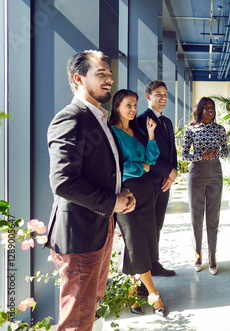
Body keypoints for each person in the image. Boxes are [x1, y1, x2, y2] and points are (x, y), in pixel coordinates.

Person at [46, 50, 136, 330]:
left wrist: (121, 197)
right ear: (78, 78)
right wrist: (111, 202)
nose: (109, 80)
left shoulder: (98, 117)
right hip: (80, 234)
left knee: (89, 304)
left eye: (109, 75)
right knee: (77, 316)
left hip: (99, 228)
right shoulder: (71, 118)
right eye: (101, 75)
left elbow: (102, 170)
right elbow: (63, 181)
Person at [109, 89, 166, 316]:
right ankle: (154, 295)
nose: (133, 110)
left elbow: (151, 160)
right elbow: (116, 167)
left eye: (135, 105)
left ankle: (133, 296)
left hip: (145, 192)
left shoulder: (137, 130)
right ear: (117, 107)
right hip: (125, 195)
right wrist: (139, 167)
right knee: (135, 242)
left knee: (143, 243)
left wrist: (151, 135)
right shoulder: (112, 133)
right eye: (128, 105)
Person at [181, 97, 228, 275]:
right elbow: (184, 155)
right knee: (196, 215)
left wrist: (216, 153)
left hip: (215, 173)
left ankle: (212, 254)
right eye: (207, 108)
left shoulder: (220, 129)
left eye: (212, 108)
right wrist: (202, 156)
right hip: (197, 174)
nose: (211, 110)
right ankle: (197, 253)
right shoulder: (191, 129)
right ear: (199, 110)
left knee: (213, 215)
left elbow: (226, 151)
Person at [137, 80, 178, 277]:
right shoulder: (141, 121)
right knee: (147, 227)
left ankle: (154, 263)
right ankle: (145, 267)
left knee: (158, 225)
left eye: (165, 94)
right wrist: (167, 171)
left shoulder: (167, 121)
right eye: (158, 94)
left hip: (164, 183)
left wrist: (173, 173)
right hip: (150, 182)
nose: (163, 98)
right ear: (148, 97)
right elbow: (146, 153)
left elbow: (172, 151)